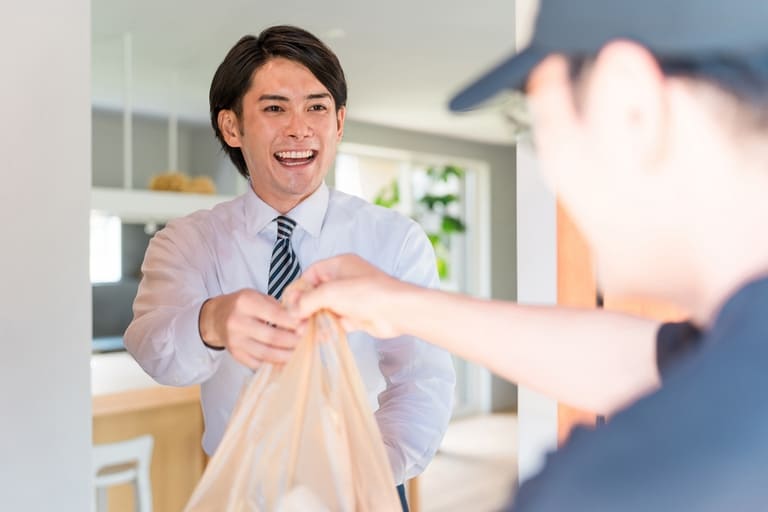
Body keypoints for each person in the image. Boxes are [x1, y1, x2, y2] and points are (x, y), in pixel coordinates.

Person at [291, 0, 768, 509]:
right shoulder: (740, 359)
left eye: (535, 119)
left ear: (629, 106)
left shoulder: (617, 485)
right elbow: (644, 360)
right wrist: (400, 303)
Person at [123, 25, 455, 511]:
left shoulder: (394, 241)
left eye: (317, 107)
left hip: (365, 486)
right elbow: (154, 350)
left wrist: (368, 476)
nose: (299, 128)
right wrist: (211, 321)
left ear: (339, 122)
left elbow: (423, 377)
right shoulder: (187, 242)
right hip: (240, 492)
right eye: (275, 108)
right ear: (232, 127)